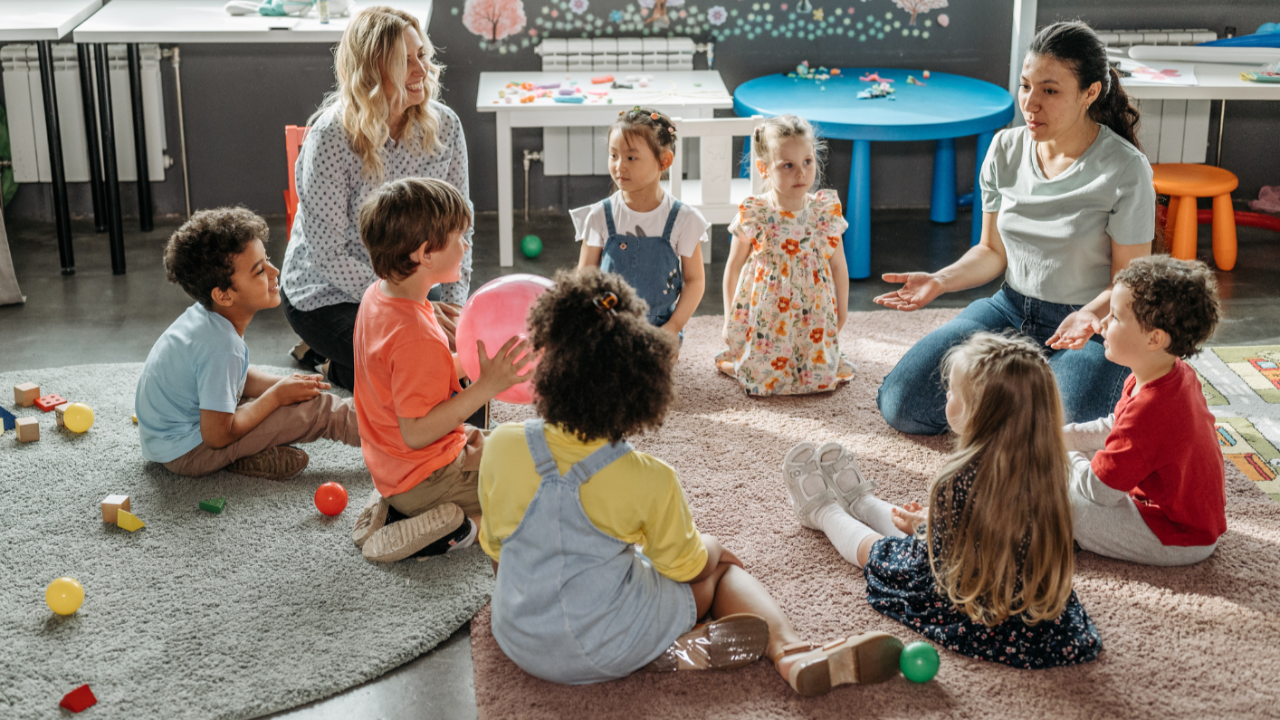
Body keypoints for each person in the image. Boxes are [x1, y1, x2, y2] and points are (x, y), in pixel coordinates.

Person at [480, 268, 906, 695]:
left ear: (545, 363)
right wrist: (715, 547)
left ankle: (660, 647)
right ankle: (792, 652)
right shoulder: (649, 478)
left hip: (518, 637)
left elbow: (498, 550)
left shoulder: (501, 444)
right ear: (640, 387)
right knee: (718, 571)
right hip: (607, 644)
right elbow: (687, 567)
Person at [875, 20, 1155, 433]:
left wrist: (1091, 317)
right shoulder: (1005, 148)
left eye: (1050, 90)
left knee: (1065, 432)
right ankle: (1018, 401)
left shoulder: (1125, 168)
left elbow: (1128, 280)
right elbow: (991, 252)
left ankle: (1013, 403)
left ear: (1090, 93)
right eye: (1026, 86)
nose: (1030, 103)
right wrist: (940, 279)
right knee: (902, 403)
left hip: (1087, 324)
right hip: (1008, 308)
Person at [784, 333, 1101, 669]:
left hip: (979, 602)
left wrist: (928, 527)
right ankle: (861, 502)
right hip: (1034, 606)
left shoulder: (960, 478)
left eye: (953, 392)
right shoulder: (1051, 465)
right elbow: (992, 528)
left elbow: (944, 552)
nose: (946, 394)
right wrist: (931, 523)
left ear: (976, 412)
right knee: (913, 533)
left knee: (882, 552)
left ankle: (823, 511)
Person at [279, 6, 473, 392]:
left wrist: (454, 310)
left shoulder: (445, 125)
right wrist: (411, 305)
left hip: (411, 284)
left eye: (423, 55)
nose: (422, 69)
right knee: (418, 369)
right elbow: (327, 254)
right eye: (405, 60)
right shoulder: (331, 136)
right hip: (327, 295)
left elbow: (459, 229)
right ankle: (332, 364)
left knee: (453, 361)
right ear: (371, 71)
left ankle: (346, 363)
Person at [350, 178, 530, 563]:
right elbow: (417, 433)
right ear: (424, 255)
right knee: (535, 496)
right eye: (458, 237)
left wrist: (467, 365)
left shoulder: (380, 295)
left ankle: (396, 507)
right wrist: (486, 387)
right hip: (426, 474)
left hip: (395, 466)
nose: (465, 246)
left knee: (518, 444)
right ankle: (455, 529)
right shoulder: (414, 333)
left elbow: (408, 380)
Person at [136, 208, 360, 481]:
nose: (274, 270)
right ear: (224, 295)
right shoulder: (221, 347)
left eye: (266, 259)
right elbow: (217, 435)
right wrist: (277, 396)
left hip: (170, 441)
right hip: (190, 452)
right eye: (259, 270)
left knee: (288, 397)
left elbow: (236, 376)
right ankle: (398, 438)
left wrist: (283, 384)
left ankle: (249, 454)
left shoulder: (208, 317)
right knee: (317, 410)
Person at [1063, 256, 1224, 565]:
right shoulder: (1166, 373)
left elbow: (1098, 492)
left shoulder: (1152, 409)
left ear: (1154, 338)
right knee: (1070, 462)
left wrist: (1060, 455)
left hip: (1178, 535)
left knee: (1072, 508)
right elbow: (1115, 426)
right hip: (1171, 510)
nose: (1103, 323)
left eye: (1115, 317)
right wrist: (1059, 438)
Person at [716, 114, 853, 396]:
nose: (801, 173)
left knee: (816, 375)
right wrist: (730, 318)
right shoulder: (755, 213)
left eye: (807, 162)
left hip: (813, 315)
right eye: (788, 165)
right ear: (764, 168)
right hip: (767, 317)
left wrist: (842, 312)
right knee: (762, 376)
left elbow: (839, 266)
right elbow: (733, 267)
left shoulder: (824, 212)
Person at [572, 107, 707, 340]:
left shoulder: (684, 220)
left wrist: (673, 328)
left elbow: (694, 281)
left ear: (664, 161)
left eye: (631, 157)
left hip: (659, 330)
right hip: (608, 327)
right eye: (614, 155)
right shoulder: (599, 215)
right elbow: (585, 276)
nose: (619, 166)